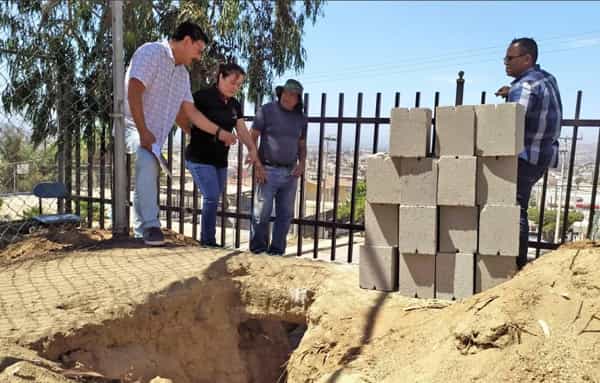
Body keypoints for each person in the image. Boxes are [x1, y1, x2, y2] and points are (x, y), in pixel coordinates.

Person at [125, 21, 237, 246]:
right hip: (133, 126)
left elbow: (189, 112)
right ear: (187, 41)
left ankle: (141, 230)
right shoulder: (152, 53)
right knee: (147, 161)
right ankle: (150, 225)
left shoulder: (182, 75)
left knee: (149, 168)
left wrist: (217, 133)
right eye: (198, 49)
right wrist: (143, 130)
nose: (198, 56)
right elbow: (134, 89)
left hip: (154, 136)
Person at [495, 37, 563, 269]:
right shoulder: (546, 78)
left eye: (510, 58)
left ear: (527, 59)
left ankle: (517, 265)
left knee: (515, 208)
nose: (505, 63)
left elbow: (510, 125)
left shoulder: (523, 87)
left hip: (526, 156)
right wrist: (510, 92)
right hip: (544, 154)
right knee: (518, 205)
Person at [184, 63, 259, 247]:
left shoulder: (234, 104)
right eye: (233, 82)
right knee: (211, 196)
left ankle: (209, 240)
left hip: (220, 160)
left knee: (216, 196)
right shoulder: (202, 97)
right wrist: (215, 134)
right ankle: (207, 241)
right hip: (199, 157)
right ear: (220, 77)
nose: (235, 87)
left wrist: (252, 148)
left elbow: (241, 129)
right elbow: (187, 120)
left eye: (239, 85)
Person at [249, 79, 308, 255]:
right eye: (285, 92)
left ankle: (277, 252)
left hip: (290, 173)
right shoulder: (266, 110)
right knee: (261, 214)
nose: (287, 96)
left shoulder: (301, 118)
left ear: (298, 99)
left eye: (292, 94)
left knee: (285, 216)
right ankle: (258, 251)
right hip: (268, 169)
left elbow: (302, 145)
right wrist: (258, 165)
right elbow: (253, 138)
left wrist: (302, 163)